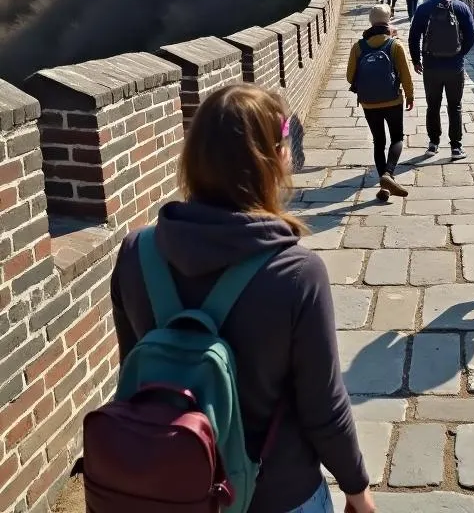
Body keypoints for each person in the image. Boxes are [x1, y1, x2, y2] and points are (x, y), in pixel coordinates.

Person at [109, 84, 376, 513]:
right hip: (280, 494)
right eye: (287, 137)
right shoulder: (296, 273)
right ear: (272, 157)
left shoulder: (135, 255)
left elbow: (134, 372)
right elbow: (323, 407)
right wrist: (357, 490)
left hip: (171, 487)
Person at [346, 6, 414, 202]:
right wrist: (409, 95)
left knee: (379, 142)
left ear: (370, 21)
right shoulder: (395, 45)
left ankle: (384, 188)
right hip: (393, 100)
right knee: (397, 139)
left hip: (369, 103)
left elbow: (350, 77)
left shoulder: (358, 47)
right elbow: (405, 75)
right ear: (388, 21)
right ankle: (389, 175)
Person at [408, 0, 474, 161]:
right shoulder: (461, 7)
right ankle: (456, 147)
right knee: (455, 106)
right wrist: (459, 54)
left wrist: (416, 60)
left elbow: (413, 37)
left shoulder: (424, 9)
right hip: (455, 67)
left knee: (433, 105)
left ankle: (433, 143)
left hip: (431, 66)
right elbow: (471, 37)